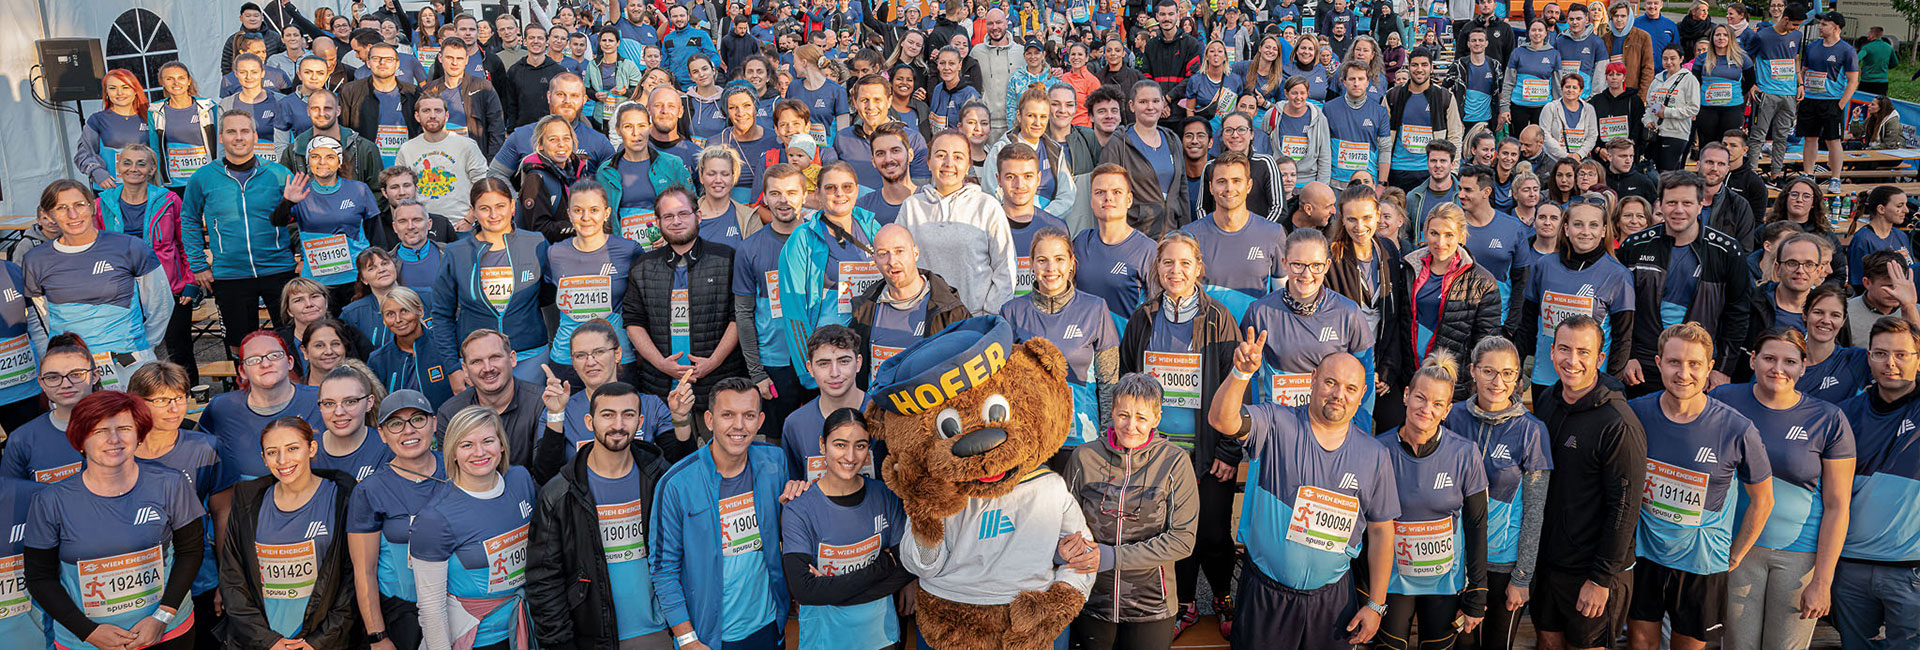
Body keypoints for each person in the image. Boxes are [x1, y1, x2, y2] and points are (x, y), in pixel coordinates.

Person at [1205, 344, 1396, 650]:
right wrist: (1241, 373)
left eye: (1350, 388)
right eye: (1331, 382)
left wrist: (1376, 605)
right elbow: (1222, 420)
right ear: (1313, 379)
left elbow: (1381, 530)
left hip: (1333, 604)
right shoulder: (1277, 423)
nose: (1338, 395)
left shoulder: (1374, 455)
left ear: (1362, 396)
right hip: (1266, 597)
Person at [1625, 323, 1776, 650]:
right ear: (1658, 362)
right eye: (1674, 362)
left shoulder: (1738, 429)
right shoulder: (1636, 414)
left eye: (1694, 364)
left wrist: (1736, 554)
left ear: (1710, 368)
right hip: (1644, 555)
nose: (1684, 372)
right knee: (1640, 642)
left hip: (1701, 563)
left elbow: (1763, 500)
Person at [1707, 328, 1855, 650]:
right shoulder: (1723, 400)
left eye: (1789, 361)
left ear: (1804, 367)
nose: (1778, 369)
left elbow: (1838, 506)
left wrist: (1823, 581)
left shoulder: (1829, 419)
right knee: (1736, 646)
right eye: (1769, 358)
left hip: (1799, 555)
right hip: (1736, 550)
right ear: (1752, 360)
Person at [23, 390, 205, 650]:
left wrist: (163, 616)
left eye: (124, 428)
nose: (114, 439)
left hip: (167, 632)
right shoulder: (50, 501)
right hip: (87, 642)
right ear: (80, 439)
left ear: (139, 434)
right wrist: (88, 632)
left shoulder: (171, 484)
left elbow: (191, 551)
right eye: (99, 431)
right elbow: (40, 578)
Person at [527, 381, 678, 649]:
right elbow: (544, 581)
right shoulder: (560, 493)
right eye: (607, 414)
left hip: (662, 632)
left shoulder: (660, 479)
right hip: (594, 638)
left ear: (640, 421)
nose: (618, 424)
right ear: (589, 421)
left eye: (628, 415)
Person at [651, 377, 795, 650]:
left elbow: (785, 529)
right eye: (727, 415)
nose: (739, 426)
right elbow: (663, 568)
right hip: (708, 638)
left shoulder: (775, 461)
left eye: (749, 415)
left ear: (761, 420)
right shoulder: (676, 484)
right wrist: (687, 639)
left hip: (767, 627)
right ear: (709, 419)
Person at [1529, 315, 1646, 650]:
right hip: (1551, 564)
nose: (1572, 360)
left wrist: (1600, 578)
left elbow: (1624, 509)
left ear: (1599, 357)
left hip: (1593, 571)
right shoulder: (1549, 401)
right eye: (1564, 349)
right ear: (1551, 352)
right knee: (1547, 642)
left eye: (1583, 351)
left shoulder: (1618, 423)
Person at [1062, 373, 1199, 649]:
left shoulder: (1175, 462)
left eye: (1141, 417)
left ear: (1157, 418)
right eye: (1123, 414)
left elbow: (1183, 540)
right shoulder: (1083, 458)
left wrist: (1112, 556)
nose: (1131, 426)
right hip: (1090, 599)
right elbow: (1061, 522)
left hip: (1151, 606)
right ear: (1112, 410)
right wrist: (1061, 548)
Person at [1376, 351, 1491, 650]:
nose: (1427, 409)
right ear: (1406, 395)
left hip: (1444, 582)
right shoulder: (1378, 450)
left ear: (1447, 410)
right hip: (1392, 580)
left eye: (1438, 404)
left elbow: (1477, 525)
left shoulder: (1465, 454)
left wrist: (1478, 592)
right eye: (1420, 398)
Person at [1443, 337, 1552, 650]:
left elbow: (1534, 511)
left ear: (1518, 378)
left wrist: (1522, 577)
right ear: (1473, 371)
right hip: (1458, 563)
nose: (1498, 381)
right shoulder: (1453, 418)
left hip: (1502, 565)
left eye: (1507, 373)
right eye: (1489, 371)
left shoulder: (1532, 430)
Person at [779, 408, 917, 650]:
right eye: (840, 445)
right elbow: (805, 590)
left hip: (880, 637)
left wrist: (832, 591)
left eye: (860, 445)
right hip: (824, 640)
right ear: (822, 445)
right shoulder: (798, 510)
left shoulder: (885, 496)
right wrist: (883, 565)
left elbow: (906, 568)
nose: (851, 456)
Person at [216, 417, 358, 650]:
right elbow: (233, 579)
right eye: (272, 452)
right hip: (262, 643)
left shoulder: (342, 496)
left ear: (311, 448)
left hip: (321, 642)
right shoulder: (247, 502)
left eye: (293, 448)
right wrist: (268, 641)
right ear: (263, 458)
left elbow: (352, 580)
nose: (283, 460)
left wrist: (318, 642)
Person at [410, 405, 538, 650]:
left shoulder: (520, 480)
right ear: (452, 453)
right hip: (475, 640)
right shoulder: (434, 518)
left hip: (527, 627)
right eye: (466, 444)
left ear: (501, 444)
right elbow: (430, 607)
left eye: (488, 440)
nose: (479, 452)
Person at [24, 180, 172, 391]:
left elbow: (161, 305)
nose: (73, 215)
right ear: (48, 215)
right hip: (72, 371)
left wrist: (142, 346)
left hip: (129, 364)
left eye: (79, 205)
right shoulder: (35, 260)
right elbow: (42, 319)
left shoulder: (130, 247)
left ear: (92, 206)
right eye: (62, 208)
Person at [1618, 172, 1752, 396]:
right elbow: (1621, 308)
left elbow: (1738, 313)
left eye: (1687, 203)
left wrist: (1722, 368)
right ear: (1660, 204)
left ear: (1700, 205)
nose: (1678, 210)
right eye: (1671, 202)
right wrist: (1627, 356)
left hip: (1698, 366)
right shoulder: (1636, 245)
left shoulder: (1727, 250)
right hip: (1643, 364)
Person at [1832, 317, 1920, 650]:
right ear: (1868, 357)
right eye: (1881, 354)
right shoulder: (1843, 415)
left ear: (1918, 359)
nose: (1891, 364)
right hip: (1850, 567)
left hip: (1910, 570)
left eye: (1902, 355)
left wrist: (1910, 306)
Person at [182, 110, 298, 359]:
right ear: (221, 137)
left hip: (278, 270)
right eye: (231, 131)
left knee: (290, 339)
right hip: (230, 275)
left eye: (245, 131)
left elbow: (300, 217)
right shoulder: (203, 177)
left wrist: (302, 258)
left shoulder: (279, 173)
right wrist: (198, 265)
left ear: (255, 136)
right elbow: (189, 219)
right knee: (239, 346)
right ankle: (244, 393)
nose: (238, 137)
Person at [1002, 226, 1121, 458]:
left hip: (1082, 440)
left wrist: (1109, 438)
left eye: (1059, 259)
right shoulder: (1011, 311)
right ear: (1031, 265)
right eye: (1042, 260)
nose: (1051, 268)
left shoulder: (1095, 309)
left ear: (1071, 264)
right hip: (1031, 441)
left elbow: (1109, 381)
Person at [624, 187, 745, 408]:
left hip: (718, 385)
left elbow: (738, 316)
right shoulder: (642, 266)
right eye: (668, 216)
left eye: (683, 214)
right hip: (660, 387)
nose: (676, 221)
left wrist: (713, 362)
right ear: (658, 222)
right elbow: (633, 322)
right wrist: (661, 363)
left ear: (698, 216)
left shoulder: (726, 258)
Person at [345, 389, 446, 650]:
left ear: (433, 423)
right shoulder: (369, 491)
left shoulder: (457, 469)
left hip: (459, 604)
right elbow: (364, 572)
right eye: (395, 424)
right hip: (405, 615)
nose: (408, 430)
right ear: (382, 433)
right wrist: (377, 636)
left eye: (417, 419)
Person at [430, 179, 552, 385]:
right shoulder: (456, 253)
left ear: (513, 206)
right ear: (473, 211)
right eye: (485, 208)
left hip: (530, 356)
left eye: (500, 206)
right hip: (479, 362)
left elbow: (548, 297)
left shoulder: (536, 244)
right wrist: (453, 368)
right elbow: (442, 314)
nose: (494, 215)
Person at [1514, 196, 1635, 399]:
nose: (1585, 231)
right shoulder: (1544, 266)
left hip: (1591, 381)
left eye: (1593, 225)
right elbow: (1527, 325)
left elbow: (1623, 338)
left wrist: (1612, 384)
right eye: (1578, 224)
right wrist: (1516, 368)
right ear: (1567, 229)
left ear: (1604, 231)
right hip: (1545, 378)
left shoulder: (1618, 275)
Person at [1391, 202, 1504, 404]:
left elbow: (1486, 342)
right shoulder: (1408, 268)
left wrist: (1470, 383)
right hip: (1409, 376)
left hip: (1453, 384)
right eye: (1434, 233)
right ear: (1425, 233)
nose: (1440, 242)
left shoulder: (1483, 282)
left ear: (1461, 235)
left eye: (1449, 234)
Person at [897, 132, 1017, 315]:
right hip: (923, 319)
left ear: (968, 164)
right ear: (929, 162)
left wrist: (988, 316)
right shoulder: (911, 207)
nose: (948, 163)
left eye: (958, 157)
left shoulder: (987, 206)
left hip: (975, 321)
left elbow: (1005, 268)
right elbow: (899, 263)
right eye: (940, 155)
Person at [543, 182, 643, 381]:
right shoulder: (554, 253)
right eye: (578, 210)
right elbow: (547, 302)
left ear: (606, 213)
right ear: (569, 214)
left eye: (594, 210)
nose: (586, 217)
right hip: (567, 358)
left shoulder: (629, 250)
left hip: (616, 357)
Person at [847, 223, 972, 375]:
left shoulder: (949, 311)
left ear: (915, 252)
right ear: (875, 260)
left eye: (899, 251)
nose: (892, 261)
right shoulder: (864, 309)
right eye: (883, 253)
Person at [0, 334, 99, 483]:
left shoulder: (122, 426)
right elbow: (11, 497)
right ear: (41, 383)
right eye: (53, 377)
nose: (66, 384)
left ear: (95, 375)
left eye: (76, 374)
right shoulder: (22, 440)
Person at [595, 104, 696, 250]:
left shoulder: (673, 164)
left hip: (668, 248)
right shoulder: (605, 172)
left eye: (642, 125)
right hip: (624, 251)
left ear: (650, 127)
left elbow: (692, 206)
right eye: (628, 126)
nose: (636, 133)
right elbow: (602, 220)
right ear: (618, 130)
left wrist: (670, 233)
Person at [1074, 165, 1158, 335]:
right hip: (1085, 352)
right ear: (1091, 200)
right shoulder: (1081, 242)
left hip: (1125, 351)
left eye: (1116, 192)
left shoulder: (1148, 250)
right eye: (1100, 192)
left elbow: (1159, 312)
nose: (1108, 198)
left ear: (1129, 200)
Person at [779, 325, 871, 480]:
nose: (835, 373)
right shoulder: (795, 424)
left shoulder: (884, 415)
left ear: (858, 363)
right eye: (824, 363)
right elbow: (795, 483)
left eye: (843, 361)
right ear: (810, 368)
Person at [1099, 82, 1189, 238]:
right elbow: (1107, 190)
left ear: (1162, 103)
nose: (1150, 107)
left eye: (1155, 101)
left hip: (1172, 233)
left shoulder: (1172, 139)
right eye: (1143, 102)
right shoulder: (1120, 143)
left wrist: (1186, 231)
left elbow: (1182, 188)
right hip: (1135, 234)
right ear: (1132, 106)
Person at [1382, 49, 1465, 192]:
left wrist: (1452, 171)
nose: (1419, 69)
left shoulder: (1444, 97)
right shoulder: (1392, 96)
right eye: (1415, 65)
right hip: (1398, 169)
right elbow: (1382, 136)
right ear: (1408, 67)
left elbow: (1455, 136)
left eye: (1424, 65)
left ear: (1431, 67)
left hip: (1432, 171)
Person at [398, 95, 490, 219]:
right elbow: (401, 191)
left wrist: (470, 219)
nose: (432, 115)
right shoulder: (407, 149)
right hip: (421, 225)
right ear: (417, 116)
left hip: (460, 224)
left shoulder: (467, 146)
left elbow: (483, 186)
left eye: (438, 110)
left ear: (446, 116)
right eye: (426, 111)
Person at [418, 36, 507, 157]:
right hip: (438, 159)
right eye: (449, 57)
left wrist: (489, 165)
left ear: (466, 60)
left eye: (459, 58)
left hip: (473, 159)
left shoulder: (483, 87)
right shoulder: (429, 91)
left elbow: (497, 129)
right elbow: (420, 129)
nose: (454, 63)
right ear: (440, 58)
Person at [1746, 4, 1807, 179]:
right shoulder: (1762, 36)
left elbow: (1795, 59)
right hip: (1767, 93)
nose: (1796, 29)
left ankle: (1776, 175)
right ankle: (1751, 175)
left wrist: (1800, 83)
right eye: (1795, 24)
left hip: (1789, 94)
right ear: (1785, 19)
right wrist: (1751, 85)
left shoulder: (1797, 35)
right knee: (1758, 136)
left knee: (1782, 137)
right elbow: (1746, 60)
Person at [1798, 12, 1859, 183]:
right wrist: (1800, 87)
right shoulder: (1811, 46)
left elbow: (1853, 81)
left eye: (1824, 24)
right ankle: (1808, 174)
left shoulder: (1847, 50)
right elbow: (1803, 70)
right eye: (1820, 23)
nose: (1820, 26)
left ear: (1836, 28)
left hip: (1832, 102)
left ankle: (1835, 178)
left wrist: (1840, 104)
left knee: (1833, 140)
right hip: (1810, 99)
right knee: (1810, 138)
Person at [78, 69, 158, 190]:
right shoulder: (97, 120)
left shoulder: (151, 118)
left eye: (125, 87)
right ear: (106, 93)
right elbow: (83, 153)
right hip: (110, 189)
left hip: (144, 189)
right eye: (113, 88)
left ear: (135, 90)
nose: (119, 93)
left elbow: (159, 152)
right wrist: (96, 171)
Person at [312, 363, 391, 482]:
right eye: (329, 403)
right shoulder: (307, 451)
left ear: (369, 402)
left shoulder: (387, 449)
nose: (339, 412)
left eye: (350, 402)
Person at [150, 63, 221, 190]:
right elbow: (155, 148)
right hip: (173, 183)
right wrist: (160, 181)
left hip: (205, 180)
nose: (176, 83)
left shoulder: (208, 107)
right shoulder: (154, 111)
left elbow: (219, 144)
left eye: (181, 78)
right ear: (162, 82)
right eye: (169, 79)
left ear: (189, 81)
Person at [1324, 62, 1391, 189]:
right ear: (1344, 82)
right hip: (1336, 183)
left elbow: (1385, 149)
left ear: (1367, 82)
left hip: (1367, 184)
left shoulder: (1379, 111)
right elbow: (1322, 149)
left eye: (1360, 79)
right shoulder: (1329, 108)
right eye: (1351, 79)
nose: (1356, 83)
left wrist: (1381, 184)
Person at [1502, 20, 1563, 134]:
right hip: (1518, 106)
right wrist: (1505, 108)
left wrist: (1557, 108)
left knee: (1540, 142)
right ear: (1529, 33)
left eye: (1540, 30)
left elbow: (1557, 84)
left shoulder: (1554, 54)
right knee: (1517, 141)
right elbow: (1508, 82)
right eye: (1533, 30)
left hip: (1543, 107)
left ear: (1546, 33)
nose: (1537, 33)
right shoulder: (1518, 52)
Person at [1846, 186, 1912, 287]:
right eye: (1899, 206)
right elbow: (1858, 282)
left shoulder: (1901, 236)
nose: (1906, 210)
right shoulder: (1863, 239)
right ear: (1881, 209)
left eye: (1905, 205)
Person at [1538, 74, 1597, 161]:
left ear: (1581, 91)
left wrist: (1579, 155)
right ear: (1561, 89)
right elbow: (1545, 134)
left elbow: (1592, 136)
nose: (1570, 90)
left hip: (1581, 159)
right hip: (1553, 159)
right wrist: (1565, 156)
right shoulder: (1550, 107)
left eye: (1575, 87)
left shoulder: (1589, 109)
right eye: (1567, 87)